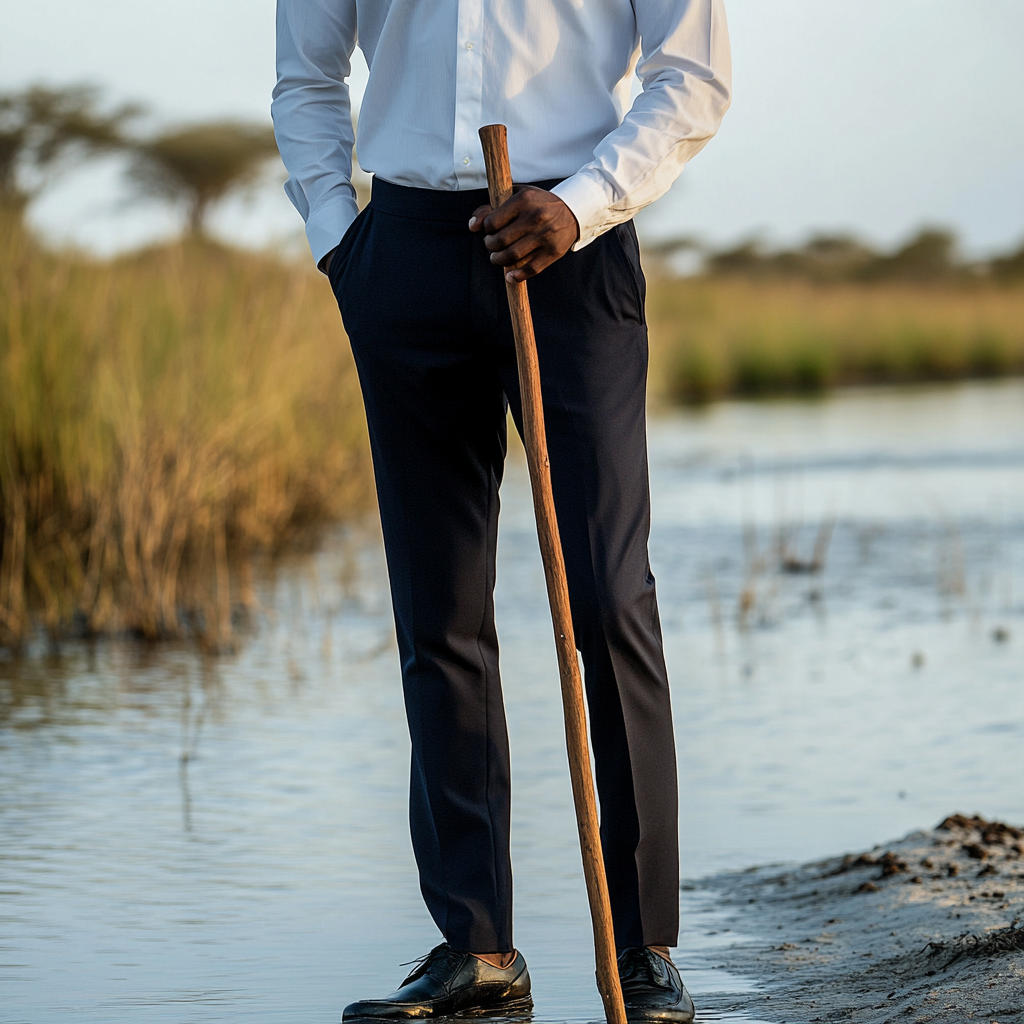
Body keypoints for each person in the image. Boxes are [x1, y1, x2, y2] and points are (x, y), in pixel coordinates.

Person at [272, 3, 731, 1020]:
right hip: (402, 252)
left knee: (608, 595)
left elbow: (693, 74)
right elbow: (306, 79)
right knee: (439, 611)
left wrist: (581, 202)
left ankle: (641, 944)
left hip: (574, 242)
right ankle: (476, 948)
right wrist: (339, 241)